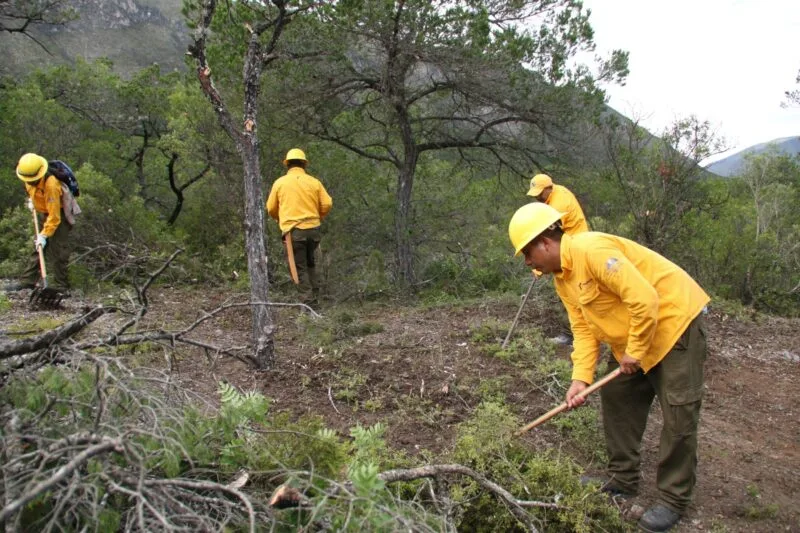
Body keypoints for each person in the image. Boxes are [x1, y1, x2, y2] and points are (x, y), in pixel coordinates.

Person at [508, 202, 710, 533]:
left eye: (528, 254)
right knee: (617, 397)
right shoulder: (563, 279)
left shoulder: (592, 249)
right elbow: (584, 330)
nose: (528, 263)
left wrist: (636, 350)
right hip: (635, 338)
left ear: (545, 241)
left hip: (675, 326)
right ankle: (623, 478)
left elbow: (645, 299)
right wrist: (580, 379)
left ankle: (673, 499)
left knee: (678, 414)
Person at [266, 148, 332, 305]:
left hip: (293, 232)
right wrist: (318, 216)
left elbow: (270, 208)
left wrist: (280, 219)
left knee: (298, 268)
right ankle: (316, 298)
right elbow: (327, 203)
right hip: (313, 230)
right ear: (304, 164)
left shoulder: (280, 183)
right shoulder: (314, 182)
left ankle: (309, 304)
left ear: (287, 164)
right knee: (312, 264)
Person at [10, 153, 73, 294]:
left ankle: (62, 286)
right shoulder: (28, 177)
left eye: (32, 180)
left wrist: (44, 235)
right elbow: (31, 191)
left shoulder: (51, 185)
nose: (29, 182)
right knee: (38, 247)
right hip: (43, 211)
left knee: (59, 250)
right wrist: (32, 202)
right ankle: (28, 281)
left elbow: (55, 217)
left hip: (59, 214)